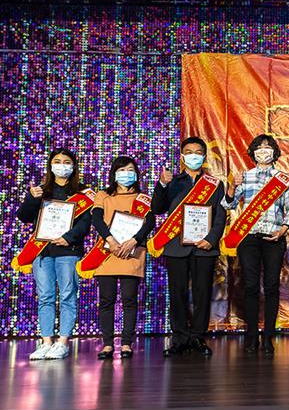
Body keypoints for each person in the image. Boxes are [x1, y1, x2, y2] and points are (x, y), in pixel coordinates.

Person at [151, 137, 226, 357]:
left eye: (198, 152)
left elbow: (220, 215)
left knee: (203, 293)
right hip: (176, 246)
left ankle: (198, 337)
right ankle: (180, 338)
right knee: (177, 293)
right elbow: (157, 208)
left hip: (204, 246)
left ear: (204, 156)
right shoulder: (172, 181)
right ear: (182, 156)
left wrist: (211, 239)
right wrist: (162, 185)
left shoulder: (215, 184)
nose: (194, 155)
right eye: (189, 152)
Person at [16, 148, 92, 360]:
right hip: (42, 251)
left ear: (73, 166)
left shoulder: (83, 193)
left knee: (68, 295)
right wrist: (31, 199)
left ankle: (63, 342)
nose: (62, 165)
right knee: (45, 297)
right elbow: (23, 217)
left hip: (68, 250)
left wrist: (69, 237)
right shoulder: (41, 191)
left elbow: (86, 222)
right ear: (50, 165)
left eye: (66, 162)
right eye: (57, 161)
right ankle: (46, 341)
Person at [224, 135, 289, 355]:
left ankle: (268, 337)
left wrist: (283, 230)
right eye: (259, 147)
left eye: (268, 147)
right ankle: (251, 336)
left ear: (275, 152)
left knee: (272, 286)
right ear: (253, 152)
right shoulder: (244, 176)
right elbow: (228, 204)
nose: (263, 150)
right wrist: (232, 187)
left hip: (274, 238)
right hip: (249, 238)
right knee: (251, 287)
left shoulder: (282, 179)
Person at [91, 156, 155, 359]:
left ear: (136, 174)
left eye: (130, 170)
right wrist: (111, 241)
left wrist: (134, 241)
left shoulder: (143, 198)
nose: (126, 174)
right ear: (114, 173)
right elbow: (97, 219)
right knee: (106, 300)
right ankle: (108, 344)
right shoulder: (103, 195)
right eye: (121, 170)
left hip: (132, 251)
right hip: (107, 252)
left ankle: (126, 343)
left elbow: (150, 222)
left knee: (129, 300)